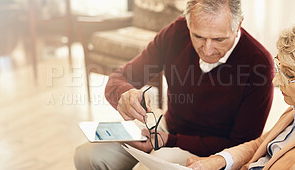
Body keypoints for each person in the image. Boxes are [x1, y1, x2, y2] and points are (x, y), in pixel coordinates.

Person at [74, 0, 274, 169]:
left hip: (212, 151)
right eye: (198, 36)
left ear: (238, 24)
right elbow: (120, 77)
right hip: (168, 127)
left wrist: (170, 141)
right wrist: (124, 94)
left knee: (152, 165)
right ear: (188, 23)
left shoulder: (259, 63)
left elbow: (241, 146)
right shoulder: (176, 32)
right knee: (87, 155)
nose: (207, 49)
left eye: (219, 39)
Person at [186, 14, 295, 170]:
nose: (276, 80)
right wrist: (219, 160)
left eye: (289, 74)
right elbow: (264, 144)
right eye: (279, 66)